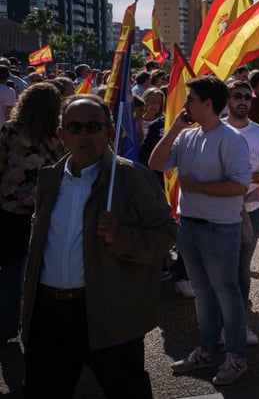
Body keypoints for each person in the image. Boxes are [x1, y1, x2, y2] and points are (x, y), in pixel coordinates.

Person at [20, 94, 176, 398]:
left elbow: (167, 234)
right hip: (49, 314)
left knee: (125, 390)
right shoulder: (50, 179)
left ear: (110, 132)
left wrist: (121, 237)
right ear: (62, 135)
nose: (84, 135)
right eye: (75, 128)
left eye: (93, 127)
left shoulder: (132, 178)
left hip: (109, 313)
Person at [149, 75, 253, 386]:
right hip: (189, 226)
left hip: (220, 229)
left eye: (191, 100)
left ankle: (236, 356)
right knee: (203, 294)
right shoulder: (186, 136)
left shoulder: (231, 139)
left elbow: (240, 185)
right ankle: (209, 350)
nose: (186, 105)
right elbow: (155, 163)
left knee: (226, 292)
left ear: (208, 104)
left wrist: (199, 187)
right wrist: (176, 128)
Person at [0, 83, 65, 344]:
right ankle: (38, 325)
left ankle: (6, 326)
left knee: (10, 269)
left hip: (10, 208)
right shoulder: (58, 135)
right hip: (47, 209)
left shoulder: (10, 131)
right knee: (42, 268)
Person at [223, 81, 259, 346]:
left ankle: (239, 325)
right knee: (221, 272)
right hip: (217, 212)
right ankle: (219, 325)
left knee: (241, 270)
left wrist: (239, 181)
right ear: (227, 100)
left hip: (250, 211)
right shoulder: (214, 130)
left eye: (247, 97)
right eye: (237, 96)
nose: (243, 101)